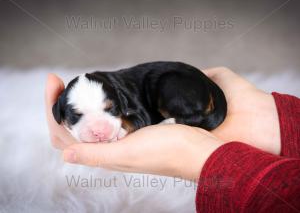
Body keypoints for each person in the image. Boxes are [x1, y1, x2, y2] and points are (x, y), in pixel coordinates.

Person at [45, 67, 300, 212]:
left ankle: (190, 116)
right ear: (61, 113)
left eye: (109, 111)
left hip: (181, 88)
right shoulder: (111, 93)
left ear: (119, 103)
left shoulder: (125, 94)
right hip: (190, 91)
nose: (98, 129)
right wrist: (278, 122)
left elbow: (140, 116)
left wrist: (130, 128)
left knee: (168, 93)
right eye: (77, 117)